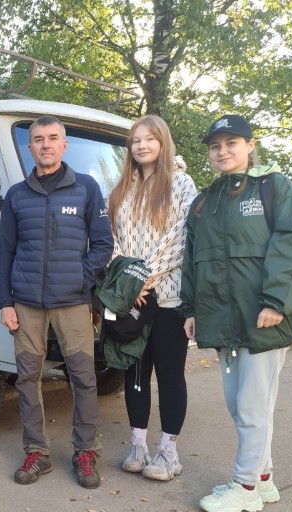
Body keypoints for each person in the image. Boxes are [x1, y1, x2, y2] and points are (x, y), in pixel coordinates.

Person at [180, 115, 292, 512]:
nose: (222, 151)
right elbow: (192, 260)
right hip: (221, 319)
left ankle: (243, 486)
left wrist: (276, 301)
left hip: (262, 317)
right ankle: (263, 478)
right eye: (215, 146)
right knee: (241, 405)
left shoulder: (273, 186)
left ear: (250, 145)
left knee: (253, 405)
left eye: (231, 143)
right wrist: (191, 309)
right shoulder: (205, 201)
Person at [0, 115, 114, 488]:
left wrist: (81, 278)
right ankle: (37, 452)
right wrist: (5, 302)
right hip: (27, 304)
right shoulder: (17, 195)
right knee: (28, 378)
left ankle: (86, 452)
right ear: (29, 148)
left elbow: (103, 243)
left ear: (63, 145)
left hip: (73, 303)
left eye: (52, 138)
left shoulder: (86, 188)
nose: (45, 144)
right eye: (38, 139)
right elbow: (6, 252)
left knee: (83, 377)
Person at [106, 115, 197, 481]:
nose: (141, 145)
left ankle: (169, 453)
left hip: (168, 298)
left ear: (163, 143)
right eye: (135, 140)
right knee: (136, 372)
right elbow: (112, 240)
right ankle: (138, 445)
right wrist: (129, 283)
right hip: (134, 299)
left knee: (170, 374)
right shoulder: (121, 189)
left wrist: (142, 277)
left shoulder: (181, 183)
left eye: (149, 139)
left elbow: (179, 239)